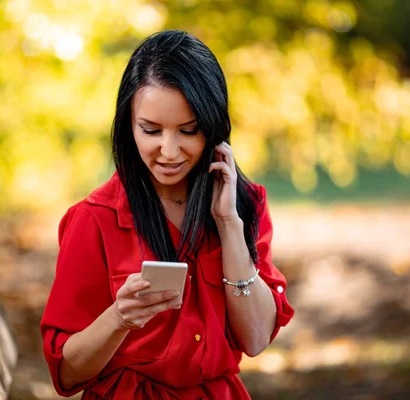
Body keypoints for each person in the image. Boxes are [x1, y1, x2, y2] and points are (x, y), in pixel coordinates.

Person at [40, 30, 294, 399]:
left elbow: (255, 340)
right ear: (129, 125)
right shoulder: (94, 220)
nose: (169, 151)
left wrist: (228, 226)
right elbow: (66, 373)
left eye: (188, 131)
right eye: (151, 130)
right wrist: (118, 318)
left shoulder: (243, 205)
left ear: (213, 128)